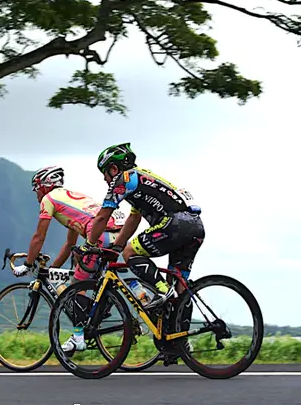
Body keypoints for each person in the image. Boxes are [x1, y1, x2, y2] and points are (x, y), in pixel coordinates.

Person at [74, 143, 205, 359]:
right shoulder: (141, 180)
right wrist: (114, 247)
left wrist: (89, 245)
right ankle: (179, 343)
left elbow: (102, 216)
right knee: (180, 289)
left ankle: (161, 290)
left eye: (105, 173)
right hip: (195, 227)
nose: (105, 179)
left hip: (175, 224)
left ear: (114, 169)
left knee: (130, 254)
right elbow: (133, 219)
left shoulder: (123, 180)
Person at [11, 165, 126, 352]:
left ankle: (78, 337)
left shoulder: (49, 200)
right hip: (117, 235)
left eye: (37, 189)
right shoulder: (71, 198)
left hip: (98, 236)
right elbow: (69, 244)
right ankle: (100, 311)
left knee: (76, 286)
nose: (36, 195)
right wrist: (51, 269)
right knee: (82, 265)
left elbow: (39, 236)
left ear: (45, 186)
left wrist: (27, 264)